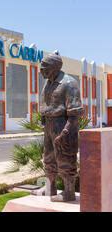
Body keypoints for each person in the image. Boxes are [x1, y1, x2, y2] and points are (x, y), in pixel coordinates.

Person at [39, 51, 84, 202]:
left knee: (65, 157)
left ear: (55, 67)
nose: (41, 69)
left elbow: (75, 112)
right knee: (48, 158)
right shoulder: (48, 83)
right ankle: (49, 188)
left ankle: (69, 192)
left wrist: (66, 131)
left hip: (64, 125)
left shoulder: (69, 83)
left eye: (44, 66)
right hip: (49, 125)